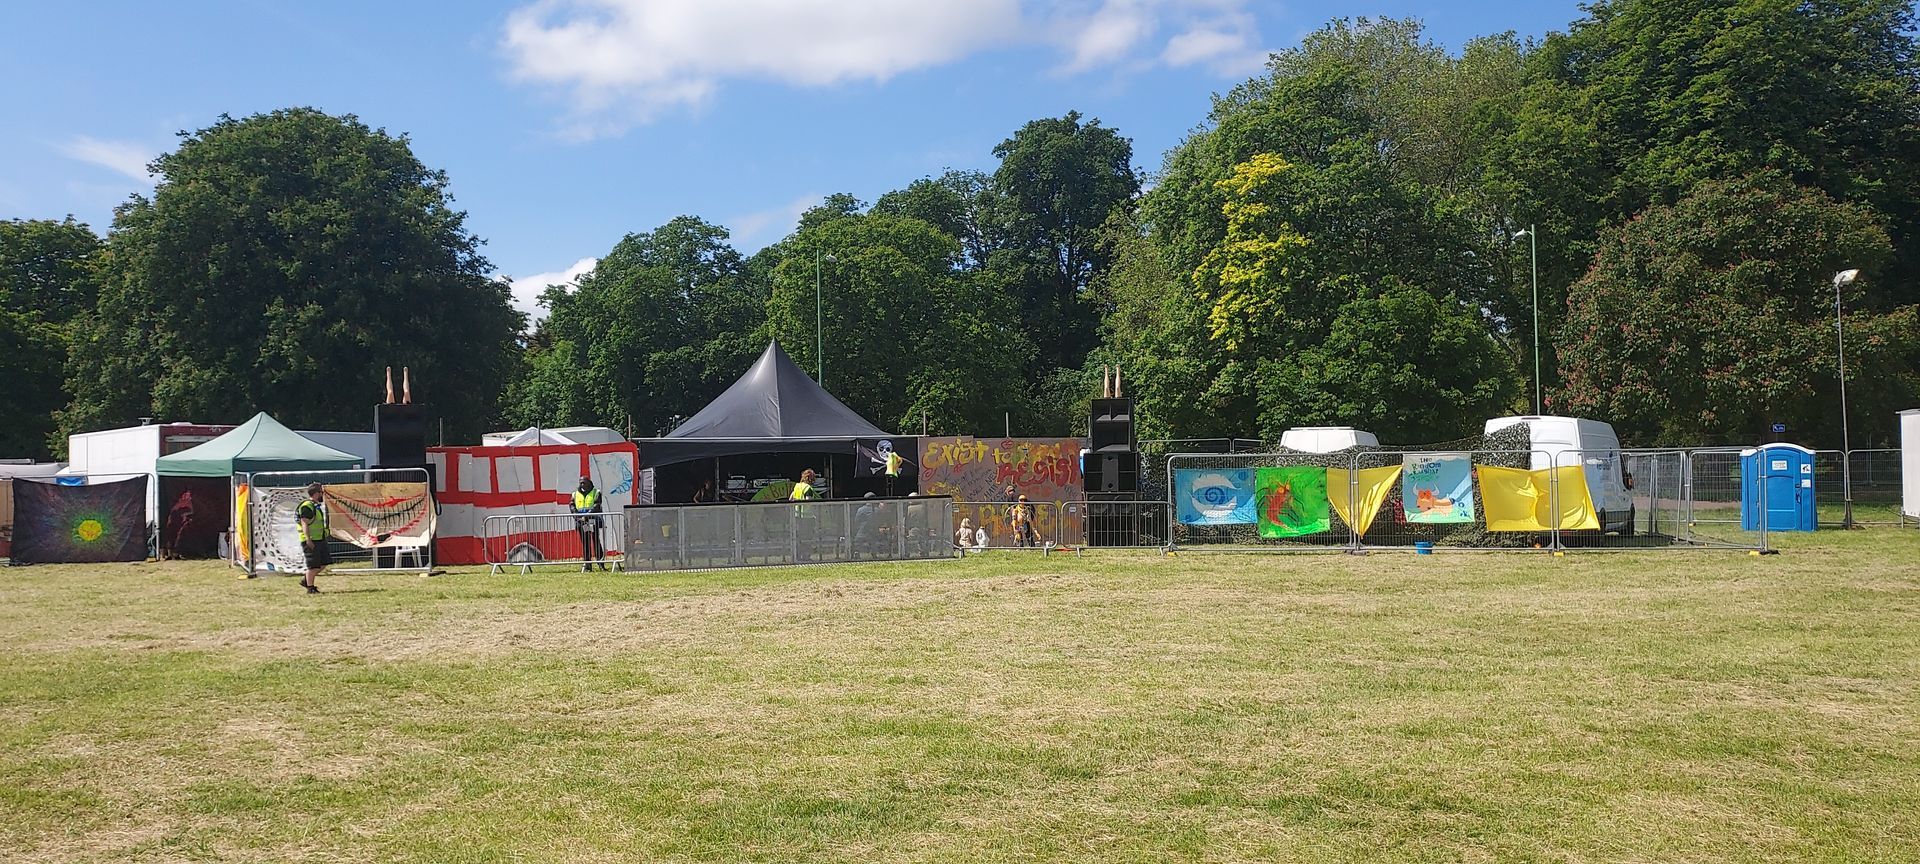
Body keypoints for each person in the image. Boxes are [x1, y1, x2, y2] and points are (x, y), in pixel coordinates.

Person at [295, 483, 329, 594]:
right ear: (316, 494)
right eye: (321, 493)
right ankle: (310, 588)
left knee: (324, 563)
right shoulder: (307, 506)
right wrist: (308, 539)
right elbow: (304, 523)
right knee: (313, 566)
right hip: (311, 540)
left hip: (319, 539)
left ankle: (306, 580)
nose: (322, 495)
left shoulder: (315, 506)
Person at [572, 477, 607, 571]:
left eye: (584, 483)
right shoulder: (575, 494)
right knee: (585, 543)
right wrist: (577, 517)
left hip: (593, 520)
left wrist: (587, 515)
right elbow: (572, 506)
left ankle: (601, 564)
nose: (582, 485)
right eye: (581, 483)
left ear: (589, 483)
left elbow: (597, 505)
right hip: (581, 522)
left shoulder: (596, 492)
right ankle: (588, 565)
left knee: (596, 542)